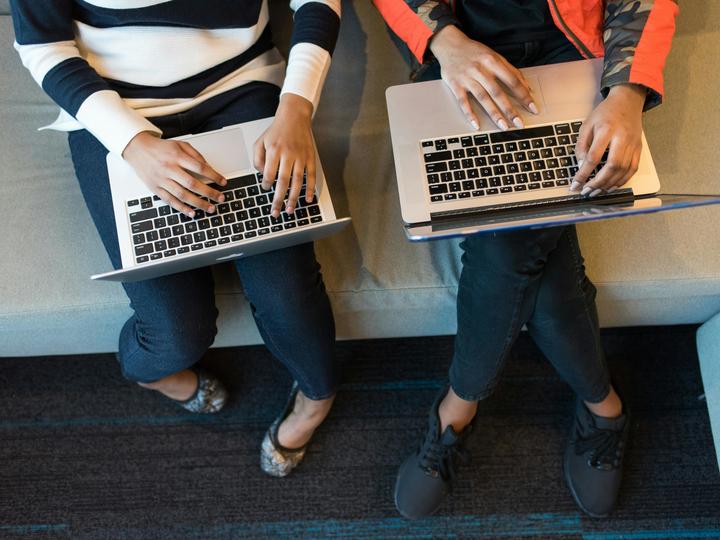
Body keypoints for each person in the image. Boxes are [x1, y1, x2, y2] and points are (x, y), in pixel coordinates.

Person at [10, 0, 342, 477]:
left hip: (241, 84)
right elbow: (43, 45)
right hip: (116, 104)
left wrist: (296, 109)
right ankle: (154, 377)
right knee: (174, 331)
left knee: (288, 292)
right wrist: (133, 143)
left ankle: (317, 399)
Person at [373, 0, 677, 518]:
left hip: (574, 52)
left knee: (508, 247)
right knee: (536, 260)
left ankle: (459, 409)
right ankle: (604, 407)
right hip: (463, 53)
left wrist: (626, 93)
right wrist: (445, 40)